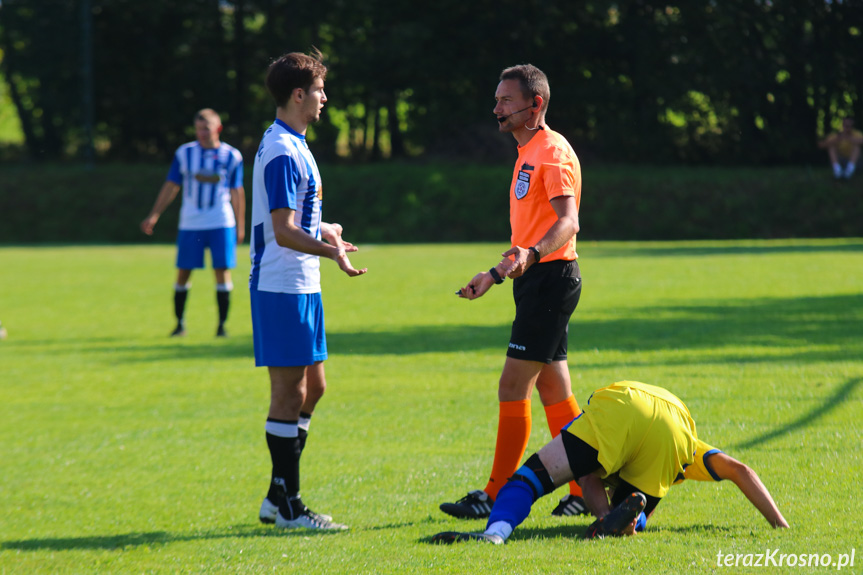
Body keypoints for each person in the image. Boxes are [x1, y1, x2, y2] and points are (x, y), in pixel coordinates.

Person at [440, 64, 587, 519]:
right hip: (538, 280)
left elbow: (568, 223)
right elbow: (530, 234)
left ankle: (495, 493)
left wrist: (532, 257)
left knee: (512, 385)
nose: (497, 108)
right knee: (553, 390)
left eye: (506, 101)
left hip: (551, 280)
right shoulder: (528, 151)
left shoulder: (552, 152)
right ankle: (584, 491)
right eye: (498, 99)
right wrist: (494, 273)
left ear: (534, 105)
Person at [432, 380, 789, 545]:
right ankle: (627, 520)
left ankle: (495, 535)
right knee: (633, 507)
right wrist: (780, 525)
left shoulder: (594, 434)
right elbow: (741, 471)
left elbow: (587, 477)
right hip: (676, 429)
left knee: (528, 480)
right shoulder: (692, 453)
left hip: (622, 402)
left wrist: (600, 511)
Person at [250, 49, 367, 532]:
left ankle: (278, 493)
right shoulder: (281, 150)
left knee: (313, 387)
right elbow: (283, 230)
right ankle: (290, 507)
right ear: (298, 94)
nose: (325, 97)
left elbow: (303, 221)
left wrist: (329, 230)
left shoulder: (294, 143)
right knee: (287, 394)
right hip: (282, 286)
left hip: (301, 284)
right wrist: (332, 252)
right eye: (319, 90)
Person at [140, 108, 245, 337]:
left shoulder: (232, 156)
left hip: (220, 222)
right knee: (184, 272)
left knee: (222, 272)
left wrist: (241, 225)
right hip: (191, 223)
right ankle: (179, 324)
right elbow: (171, 185)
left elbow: (237, 191)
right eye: (198, 129)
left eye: (206, 129)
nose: (201, 133)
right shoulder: (184, 153)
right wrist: (154, 214)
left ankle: (221, 326)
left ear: (217, 129)